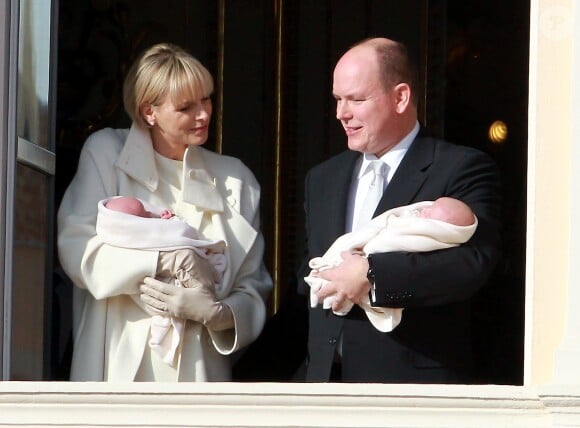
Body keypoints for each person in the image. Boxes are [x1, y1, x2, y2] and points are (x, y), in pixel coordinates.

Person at [57, 42, 272, 382]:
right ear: (149, 112)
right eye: (186, 106)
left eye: (207, 98)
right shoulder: (105, 153)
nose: (203, 114)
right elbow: (77, 247)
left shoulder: (236, 179)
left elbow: (253, 287)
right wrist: (162, 261)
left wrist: (218, 314)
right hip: (115, 364)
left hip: (198, 372)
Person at [300, 37, 501, 383]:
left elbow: (471, 265)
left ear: (400, 97)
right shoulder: (322, 179)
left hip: (412, 388)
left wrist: (372, 275)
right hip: (325, 387)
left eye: (356, 99)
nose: (341, 113)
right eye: (338, 100)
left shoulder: (460, 167)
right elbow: (305, 287)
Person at [305, 197, 477, 332]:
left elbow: (470, 264)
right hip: (324, 357)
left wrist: (369, 270)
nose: (424, 210)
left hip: (404, 357)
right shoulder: (321, 175)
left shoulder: (460, 166)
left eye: (430, 212)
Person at [97, 195, 227, 366]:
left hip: (202, 358)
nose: (150, 213)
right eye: (144, 214)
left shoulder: (243, 182)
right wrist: (162, 259)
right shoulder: (101, 171)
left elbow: (249, 288)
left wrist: (223, 316)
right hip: (127, 347)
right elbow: (80, 249)